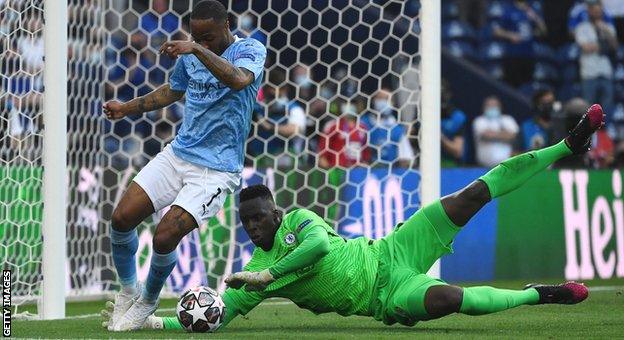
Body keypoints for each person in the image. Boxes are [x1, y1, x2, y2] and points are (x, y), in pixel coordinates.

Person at [103, 104, 605, 332]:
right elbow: (217, 316)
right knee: (451, 299)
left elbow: (320, 249)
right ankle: (541, 293)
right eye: (248, 222)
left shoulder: (299, 222)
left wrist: (269, 273)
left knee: (471, 194)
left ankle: (567, 145)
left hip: (392, 248)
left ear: (276, 210)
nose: (255, 227)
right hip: (384, 297)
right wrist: (160, 323)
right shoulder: (253, 271)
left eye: (260, 217)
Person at [101, 0, 266, 331]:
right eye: (197, 36)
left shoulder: (250, 50)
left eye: (208, 37)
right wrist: (127, 107)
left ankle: (147, 303)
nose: (203, 43)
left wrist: (194, 48)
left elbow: (237, 80)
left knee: (164, 237)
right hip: (178, 154)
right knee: (121, 218)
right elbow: (172, 92)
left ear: (227, 26)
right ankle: (129, 291)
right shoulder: (192, 56)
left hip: (216, 170)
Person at [575, 0, 618, 117]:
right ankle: (588, 135)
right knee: (588, 110)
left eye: (599, 11)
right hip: (589, 73)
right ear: (589, 11)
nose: (597, 13)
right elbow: (585, 48)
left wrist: (606, 33)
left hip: (605, 72)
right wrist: (604, 45)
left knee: (607, 108)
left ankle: (606, 133)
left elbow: (614, 47)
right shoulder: (581, 28)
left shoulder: (608, 27)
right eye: (594, 11)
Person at [493, 0, 547, 87]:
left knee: (528, 85)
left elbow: (543, 31)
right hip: (512, 54)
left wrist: (536, 18)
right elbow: (497, 31)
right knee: (511, 85)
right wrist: (510, 35)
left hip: (529, 55)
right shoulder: (509, 10)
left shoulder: (531, 10)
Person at [473, 96, 519, 168]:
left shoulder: (508, 119)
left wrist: (494, 134)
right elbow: (486, 135)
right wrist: (504, 134)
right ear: (484, 107)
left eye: (494, 105)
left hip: (507, 166)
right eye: (489, 105)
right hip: (484, 167)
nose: (492, 107)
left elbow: (513, 135)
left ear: (500, 107)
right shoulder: (479, 121)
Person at [440, 80, 466, 167]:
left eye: (443, 93)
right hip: (422, 164)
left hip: (451, 165)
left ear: (449, 94)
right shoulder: (421, 114)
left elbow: (458, 151)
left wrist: (440, 137)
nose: (441, 96)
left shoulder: (457, 117)